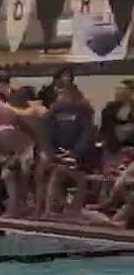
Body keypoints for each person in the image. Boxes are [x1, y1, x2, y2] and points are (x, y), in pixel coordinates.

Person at [42, 85, 97, 217]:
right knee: (47, 170)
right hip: (59, 152)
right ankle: (54, 206)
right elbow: (46, 133)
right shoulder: (53, 112)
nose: (61, 98)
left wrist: (75, 151)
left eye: (64, 94)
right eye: (59, 95)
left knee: (67, 174)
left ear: (73, 96)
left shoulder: (83, 110)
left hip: (79, 153)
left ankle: (69, 208)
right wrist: (51, 151)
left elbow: (87, 134)